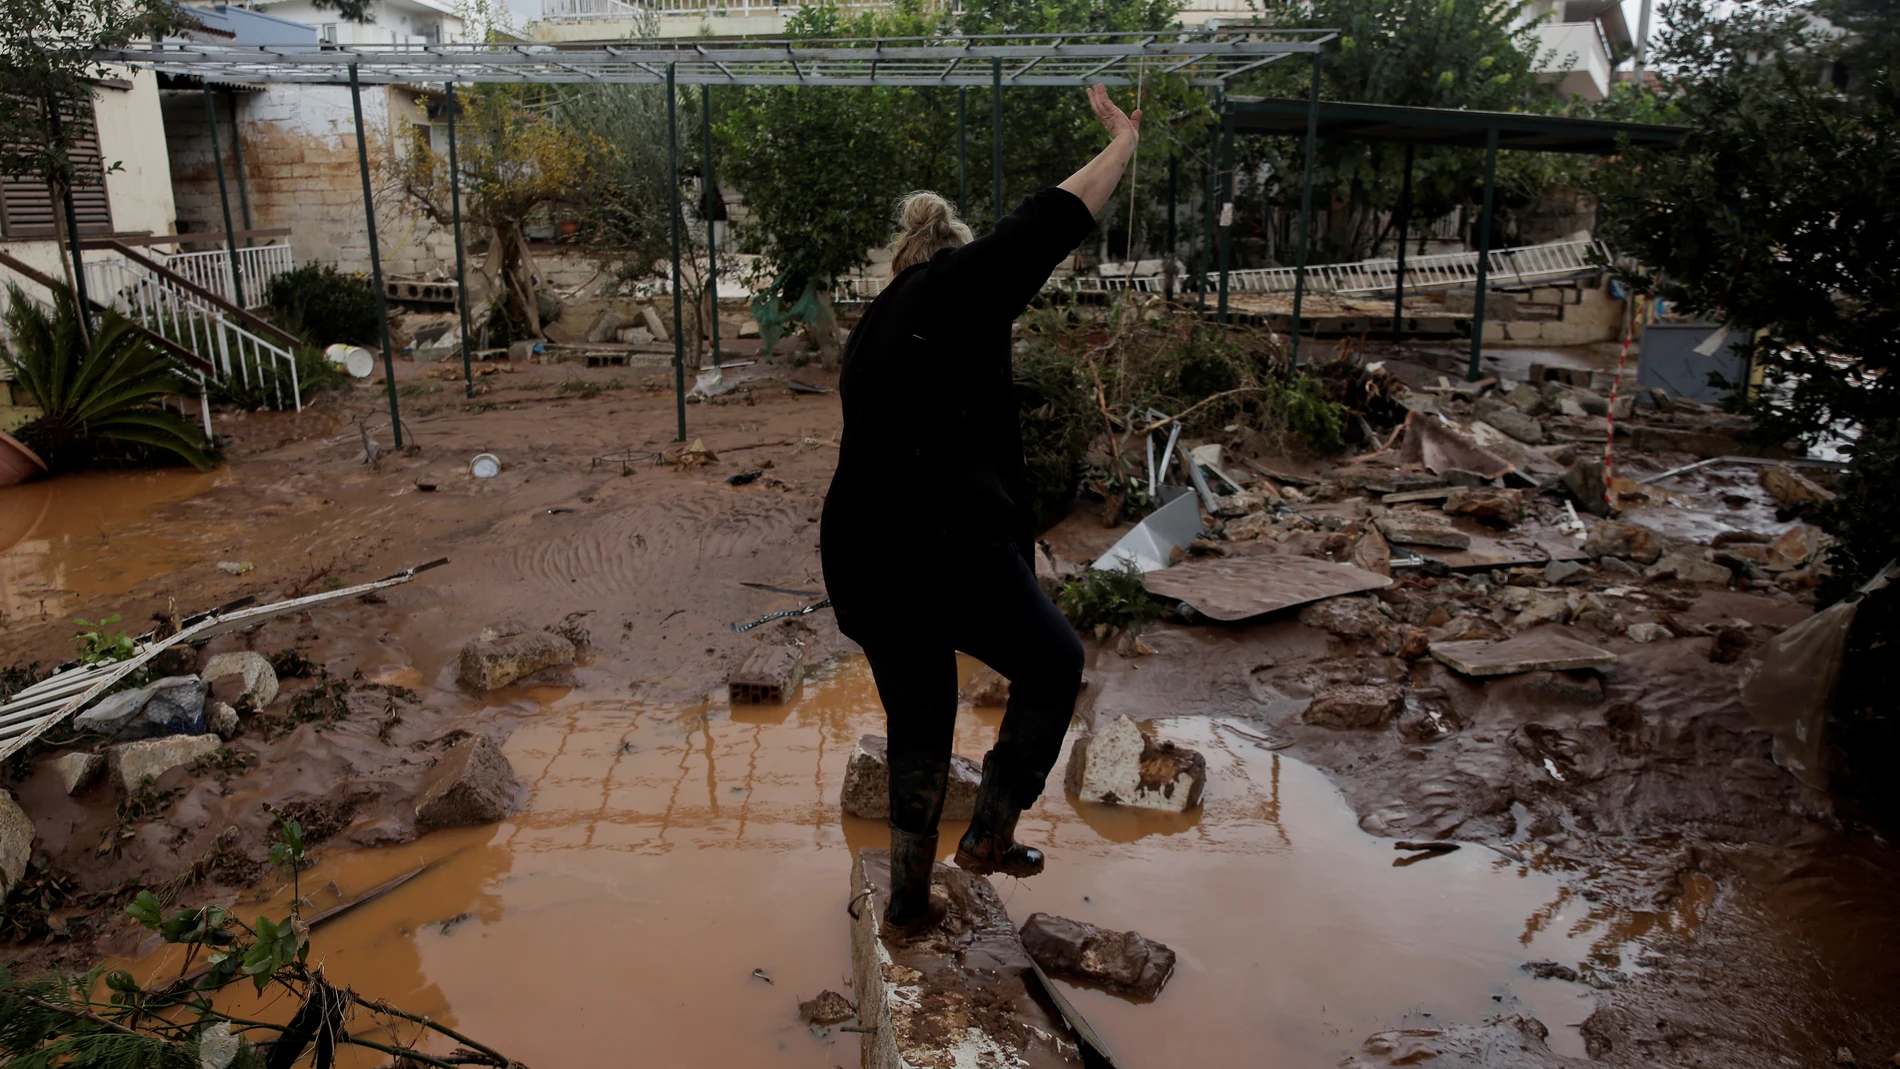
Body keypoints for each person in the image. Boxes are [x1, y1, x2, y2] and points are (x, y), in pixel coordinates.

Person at [821, 84, 1143, 929]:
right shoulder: (955, 288)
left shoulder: (876, 324)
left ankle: (907, 903)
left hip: (864, 555)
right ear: (956, 258)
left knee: (919, 716)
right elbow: (1047, 221)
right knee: (1054, 663)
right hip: (943, 546)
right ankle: (992, 834)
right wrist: (1121, 146)